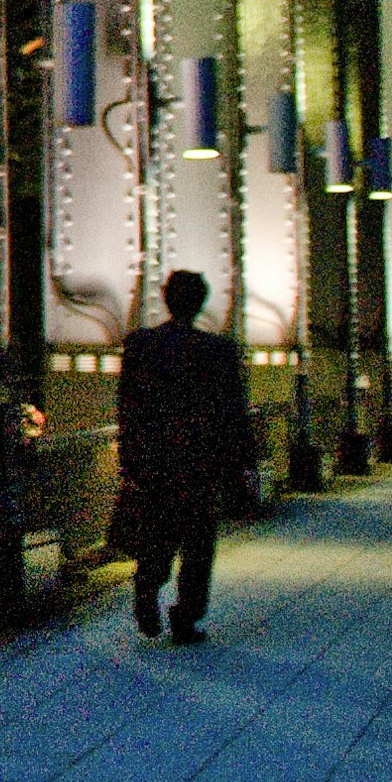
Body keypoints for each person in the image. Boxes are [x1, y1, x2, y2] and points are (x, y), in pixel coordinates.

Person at [118, 269, 252, 644]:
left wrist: (130, 458)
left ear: (165, 298)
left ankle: (146, 586)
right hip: (200, 463)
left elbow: (128, 407)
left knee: (158, 532)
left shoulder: (141, 346)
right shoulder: (218, 352)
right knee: (198, 543)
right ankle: (185, 615)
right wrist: (240, 464)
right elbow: (232, 412)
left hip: (155, 461)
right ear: (201, 303)